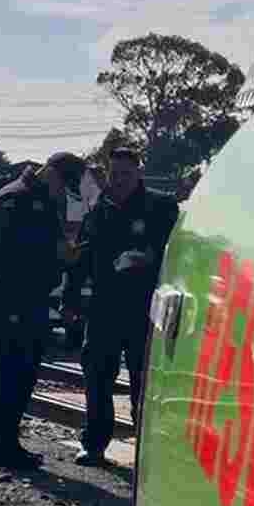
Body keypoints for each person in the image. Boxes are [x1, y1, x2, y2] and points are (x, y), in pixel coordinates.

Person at [63, 147, 180, 469]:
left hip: (147, 309)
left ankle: (148, 451)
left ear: (138, 173)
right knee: (97, 377)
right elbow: (81, 260)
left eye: (126, 174)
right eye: (114, 174)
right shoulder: (98, 211)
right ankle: (94, 445)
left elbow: (178, 252)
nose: (119, 180)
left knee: (145, 382)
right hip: (104, 308)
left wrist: (150, 258)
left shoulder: (161, 207)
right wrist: (70, 300)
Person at [0, 153, 78, 470]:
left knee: (24, 375)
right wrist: (54, 258)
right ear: (51, 173)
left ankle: (10, 444)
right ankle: (0, 449)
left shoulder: (42, 200)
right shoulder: (14, 198)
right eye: (63, 185)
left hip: (32, 301)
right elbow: (7, 257)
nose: (63, 192)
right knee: (7, 376)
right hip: (11, 302)